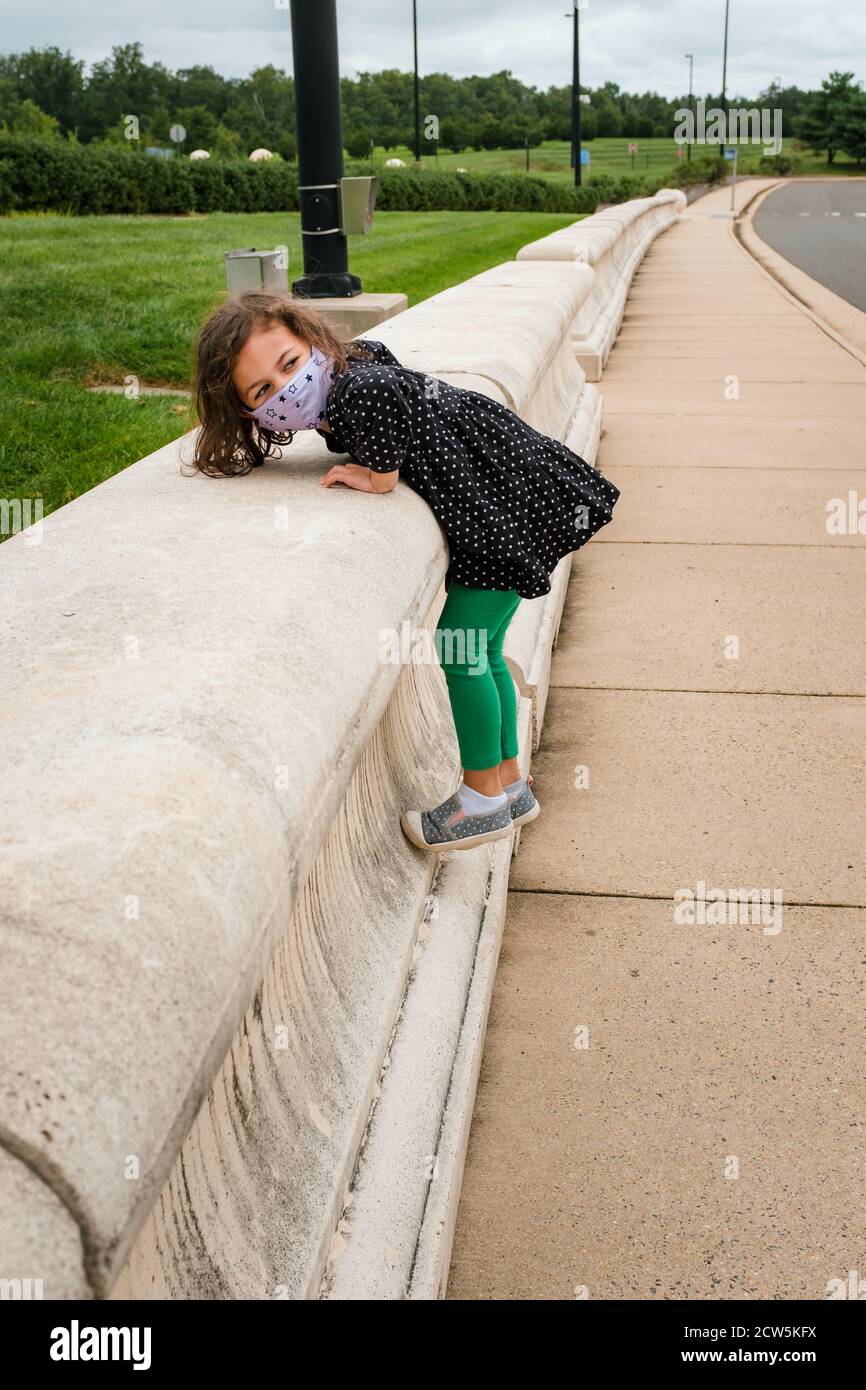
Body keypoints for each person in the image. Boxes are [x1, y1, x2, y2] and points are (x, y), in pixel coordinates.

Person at [189, 292, 620, 853]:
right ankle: (511, 785)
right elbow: (387, 372)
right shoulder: (357, 364)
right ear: (249, 413)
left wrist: (377, 476)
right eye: (263, 390)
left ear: (315, 343)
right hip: (513, 500)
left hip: (499, 517)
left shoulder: (357, 390)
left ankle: (482, 800)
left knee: (461, 648)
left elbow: (385, 400)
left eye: (290, 364)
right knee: (484, 650)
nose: (285, 386)